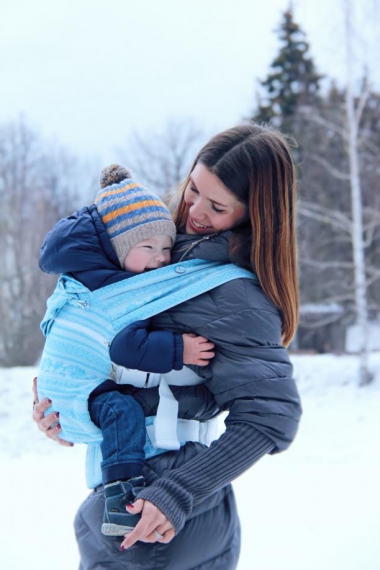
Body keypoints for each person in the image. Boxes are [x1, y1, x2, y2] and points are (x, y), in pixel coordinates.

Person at [33, 123, 302, 570]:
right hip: (128, 504)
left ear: (255, 216)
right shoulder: (155, 253)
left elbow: (272, 417)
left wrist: (177, 494)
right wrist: (66, 403)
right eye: (194, 188)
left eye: (217, 206)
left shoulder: (234, 294)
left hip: (164, 518)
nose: (194, 209)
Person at [37, 164, 216, 537]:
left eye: (167, 248)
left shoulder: (105, 276)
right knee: (122, 411)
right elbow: (125, 346)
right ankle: (121, 497)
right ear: (118, 251)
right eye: (147, 248)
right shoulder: (117, 291)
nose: (160, 259)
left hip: (80, 390)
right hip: (73, 387)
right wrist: (178, 348)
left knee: (119, 408)